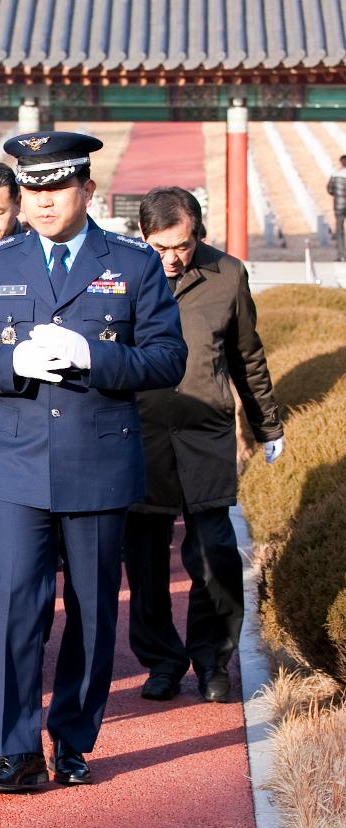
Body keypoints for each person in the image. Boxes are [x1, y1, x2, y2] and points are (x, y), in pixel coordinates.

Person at [0, 132, 186, 793]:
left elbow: (168, 359)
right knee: (15, 603)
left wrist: (94, 357)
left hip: (97, 457)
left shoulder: (135, 264)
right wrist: (12, 364)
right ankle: (16, 747)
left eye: (57, 187)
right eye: (32, 188)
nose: (43, 199)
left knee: (91, 608)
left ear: (88, 190)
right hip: (18, 459)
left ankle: (75, 738)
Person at [125, 187, 284, 704]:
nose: (171, 258)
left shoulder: (228, 275)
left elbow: (247, 356)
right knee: (145, 560)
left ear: (199, 233)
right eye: (159, 247)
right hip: (140, 436)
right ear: (143, 237)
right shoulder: (123, 271)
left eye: (181, 246)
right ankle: (162, 662)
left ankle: (213, 661)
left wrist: (268, 426)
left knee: (213, 554)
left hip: (205, 433)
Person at [329, 154, 346, 262]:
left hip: (339, 206)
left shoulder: (335, 174)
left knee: (339, 231)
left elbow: (330, 189)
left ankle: (341, 254)